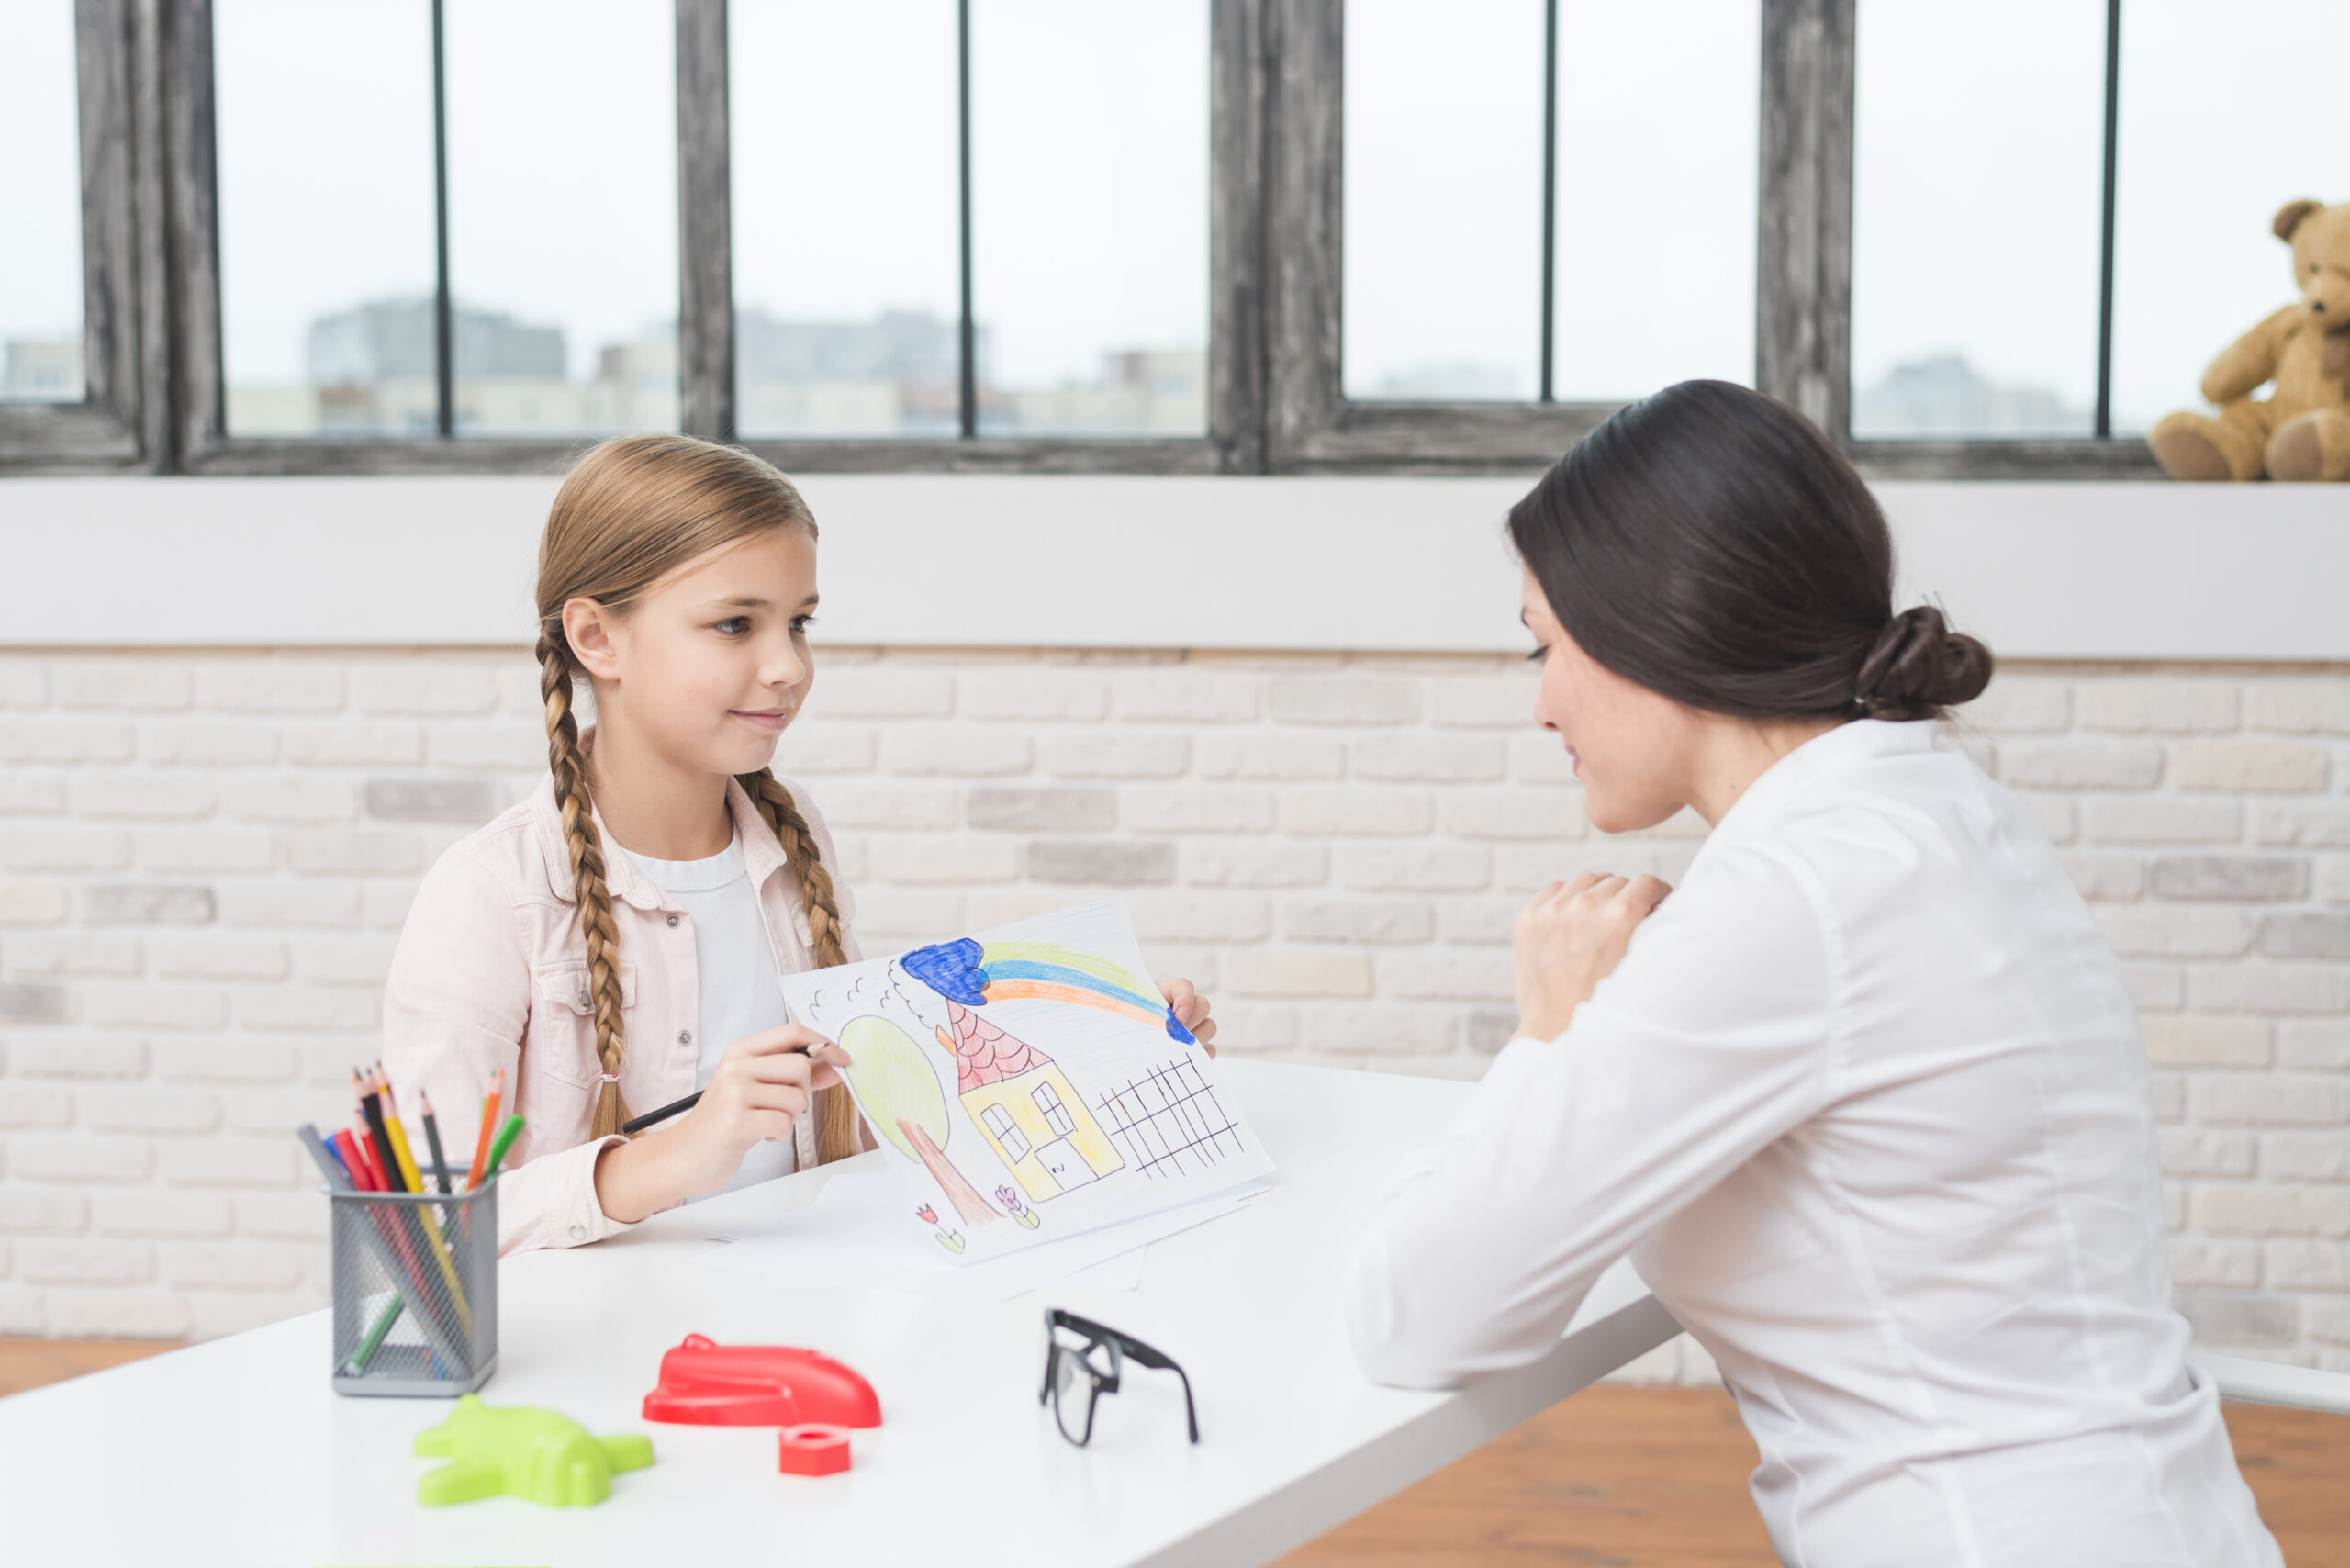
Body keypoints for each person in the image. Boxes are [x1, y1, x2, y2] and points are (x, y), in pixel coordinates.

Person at [1344, 381, 2280, 1567]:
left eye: (1547, 644)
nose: (1539, 705)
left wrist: (1549, 1028)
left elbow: (1416, 1317)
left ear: (1656, 621)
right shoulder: (1939, 817)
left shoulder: (1790, 904)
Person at [383, 435, 1214, 1254]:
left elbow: (871, 1119)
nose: (788, 666)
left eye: (800, 623)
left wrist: (1110, 1047)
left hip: (799, 1313)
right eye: (736, 624)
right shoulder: (492, 895)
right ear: (597, 639)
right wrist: (670, 1159)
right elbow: (425, 1231)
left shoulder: (794, 839)